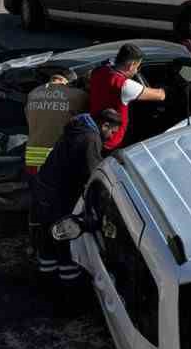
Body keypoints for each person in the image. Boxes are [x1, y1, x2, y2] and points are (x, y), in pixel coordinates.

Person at [31, 108, 123, 283]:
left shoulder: (79, 127)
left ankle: (46, 279)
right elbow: (93, 174)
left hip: (45, 189)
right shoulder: (90, 138)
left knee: (48, 238)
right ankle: (69, 287)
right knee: (65, 236)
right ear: (105, 125)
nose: (111, 136)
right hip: (59, 195)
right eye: (112, 131)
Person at [88, 44, 165, 152]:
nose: (136, 71)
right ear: (131, 65)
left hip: (92, 134)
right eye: (137, 67)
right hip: (112, 143)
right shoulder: (125, 85)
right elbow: (160, 96)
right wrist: (164, 89)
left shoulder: (98, 72)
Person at [24, 68, 88, 175]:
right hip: (59, 153)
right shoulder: (78, 95)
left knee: (36, 186)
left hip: (33, 153)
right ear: (69, 81)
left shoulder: (33, 93)